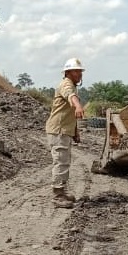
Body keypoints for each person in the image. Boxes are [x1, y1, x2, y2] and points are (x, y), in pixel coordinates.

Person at [45, 57, 85, 208]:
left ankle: (61, 191)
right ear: (68, 72)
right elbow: (70, 96)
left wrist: (75, 131)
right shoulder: (66, 85)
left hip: (64, 130)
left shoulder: (72, 85)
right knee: (61, 161)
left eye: (80, 71)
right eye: (77, 71)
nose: (80, 74)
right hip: (58, 130)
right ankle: (57, 196)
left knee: (65, 161)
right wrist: (78, 106)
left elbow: (68, 113)